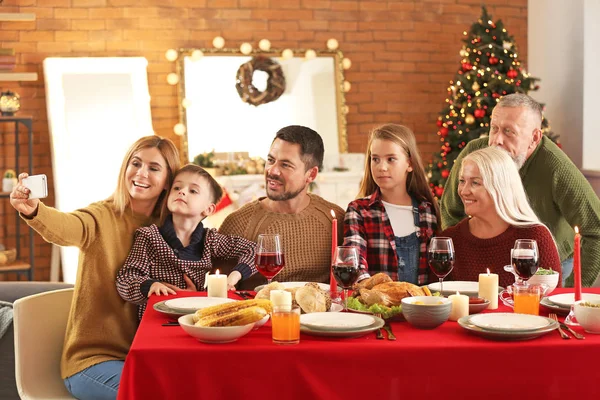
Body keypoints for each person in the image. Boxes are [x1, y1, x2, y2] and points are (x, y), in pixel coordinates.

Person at [9, 136, 180, 400]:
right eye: (135, 163)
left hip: (145, 358)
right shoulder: (101, 216)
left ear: (168, 180)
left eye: (154, 168)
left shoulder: (173, 229)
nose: (141, 173)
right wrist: (35, 211)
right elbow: (66, 227)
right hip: (92, 362)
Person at [441, 93, 600, 287]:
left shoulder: (556, 168)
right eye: (494, 129)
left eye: (509, 131)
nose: (497, 140)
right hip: (482, 256)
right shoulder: (475, 153)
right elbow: (451, 211)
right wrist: (464, 254)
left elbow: (596, 229)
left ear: (534, 138)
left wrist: (571, 293)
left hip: (545, 260)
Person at [116, 164, 256, 319]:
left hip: (196, 317)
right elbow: (126, 278)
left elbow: (255, 250)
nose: (182, 191)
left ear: (208, 209)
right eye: (177, 188)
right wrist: (149, 286)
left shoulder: (210, 240)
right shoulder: (148, 237)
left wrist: (235, 276)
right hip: (157, 319)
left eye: (193, 191)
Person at [218, 125, 344, 290]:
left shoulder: (335, 219)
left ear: (311, 174)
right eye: (270, 160)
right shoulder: (238, 223)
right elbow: (217, 289)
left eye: (285, 165)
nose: (272, 170)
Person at [441, 146, 562, 288]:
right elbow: (434, 301)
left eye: (475, 182)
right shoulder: (451, 240)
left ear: (500, 187)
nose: (464, 191)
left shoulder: (535, 237)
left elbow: (551, 301)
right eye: (462, 181)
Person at [343, 124, 440, 284]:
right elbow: (354, 260)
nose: (381, 167)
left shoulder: (427, 211)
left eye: (391, 159)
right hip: (376, 307)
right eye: (375, 159)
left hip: (421, 306)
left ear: (410, 164)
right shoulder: (359, 210)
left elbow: (434, 272)